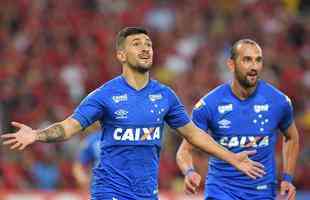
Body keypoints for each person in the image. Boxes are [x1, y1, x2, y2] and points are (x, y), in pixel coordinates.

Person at [1, 28, 265, 200]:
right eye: (137, 43)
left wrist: (232, 158)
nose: (145, 48)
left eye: (148, 44)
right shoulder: (105, 95)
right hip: (110, 191)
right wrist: (36, 134)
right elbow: (70, 127)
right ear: (121, 55)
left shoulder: (165, 96)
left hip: (146, 193)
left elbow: (194, 135)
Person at [176, 39, 300, 200]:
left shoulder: (279, 102)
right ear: (231, 64)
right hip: (221, 191)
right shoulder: (209, 105)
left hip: (262, 192)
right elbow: (184, 151)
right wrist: (190, 172)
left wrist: (288, 178)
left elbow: (291, 137)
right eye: (247, 60)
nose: (254, 66)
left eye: (258, 60)